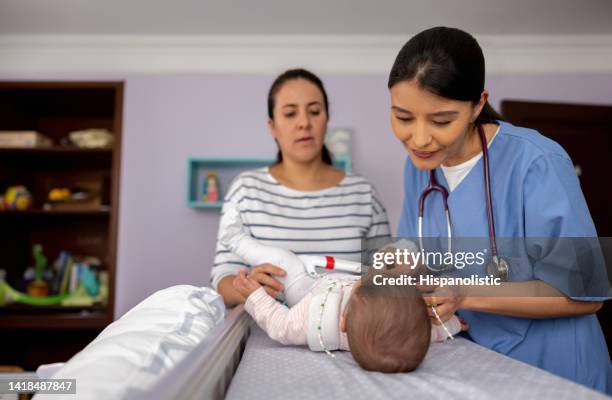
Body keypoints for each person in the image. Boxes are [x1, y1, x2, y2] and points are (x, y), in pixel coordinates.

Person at [387, 26, 611, 393]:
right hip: (476, 370)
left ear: (478, 104)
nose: (420, 138)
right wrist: (392, 265)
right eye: (403, 117)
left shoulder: (536, 161)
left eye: (441, 120)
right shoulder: (419, 166)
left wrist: (465, 294)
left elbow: (585, 295)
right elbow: (416, 250)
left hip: (557, 372)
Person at [211, 68, 391, 306]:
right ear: (272, 126)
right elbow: (222, 278)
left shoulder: (363, 193)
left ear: (326, 119)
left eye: (314, 111)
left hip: (350, 333)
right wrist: (248, 288)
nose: (304, 123)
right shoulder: (246, 190)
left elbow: (387, 277)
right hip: (266, 334)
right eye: (290, 114)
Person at [233, 261, 464, 373]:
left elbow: (279, 324)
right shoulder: (412, 330)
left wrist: (254, 295)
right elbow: (435, 329)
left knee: (283, 263)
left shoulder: (319, 317)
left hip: (309, 286)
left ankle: (241, 242)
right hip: (334, 273)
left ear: (342, 323)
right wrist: (455, 324)